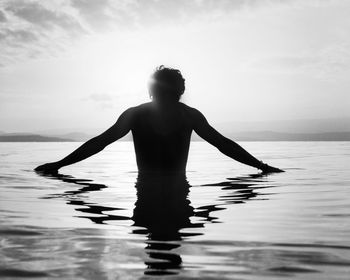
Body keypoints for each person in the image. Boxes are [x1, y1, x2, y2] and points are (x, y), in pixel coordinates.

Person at [35, 66, 283, 174]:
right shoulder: (137, 114)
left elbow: (223, 143)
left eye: (171, 92)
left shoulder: (189, 116)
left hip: (174, 188)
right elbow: (101, 142)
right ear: (155, 92)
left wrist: (260, 166)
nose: (167, 97)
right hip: (152, 188)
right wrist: (60, 163)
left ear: (179, 92)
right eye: (163, 91)